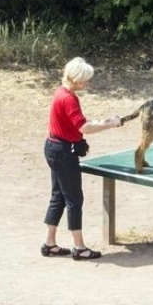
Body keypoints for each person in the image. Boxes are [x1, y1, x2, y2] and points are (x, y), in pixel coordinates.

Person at [41, 56, 122, 260]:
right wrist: (111, 124)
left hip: (53, 147)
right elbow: (84, 127)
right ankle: (79, 247)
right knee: (74, 199)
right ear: (76, 79)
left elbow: (75, 124)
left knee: (58, 196)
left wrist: (98, 123)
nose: (87, 83)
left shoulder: (60, 92)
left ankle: (50, 244)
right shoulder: (69, 98)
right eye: (85, 79)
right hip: (63, 153)